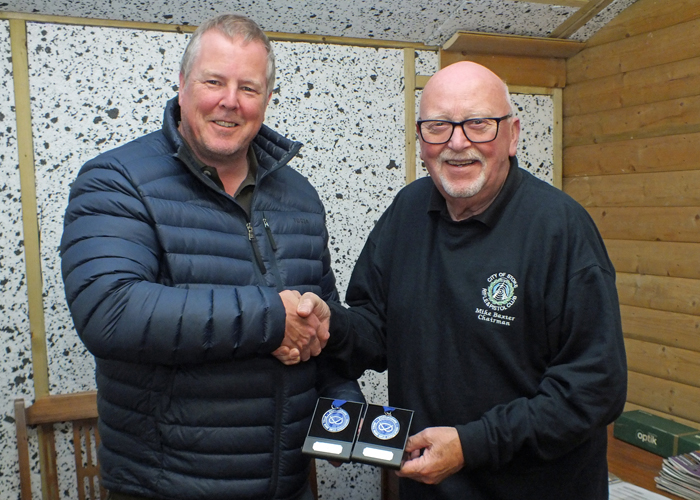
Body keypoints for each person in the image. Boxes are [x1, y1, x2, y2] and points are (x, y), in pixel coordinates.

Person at [289, 61, 628, 499]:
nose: (458, 142)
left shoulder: (561, 230)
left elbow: (595, 389)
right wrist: (328, 322)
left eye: (479, 124)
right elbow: (376, 329)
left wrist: (472, 445)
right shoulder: (407, 211)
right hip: (426, 488)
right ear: (421, 138)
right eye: (438, 126)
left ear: (513, 134)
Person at [60, 13, 362, 500]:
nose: (230, 101)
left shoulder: (299, 196)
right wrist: (272, 317)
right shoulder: (116, 179)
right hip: (165, 487)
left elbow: (316, 325)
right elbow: (110, 311)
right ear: (182, 84)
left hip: (285, 486)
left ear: (266, 99)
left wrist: (343, 412)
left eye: (249, 87)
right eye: (214, 81)